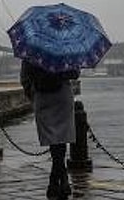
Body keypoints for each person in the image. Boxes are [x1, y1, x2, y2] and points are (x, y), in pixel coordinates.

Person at [20, 60, 80, 199]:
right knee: (62, 137)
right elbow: (75, 73)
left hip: (42, 96)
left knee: (52, 137)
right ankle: (61, 178)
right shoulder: (66, 49)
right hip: (63, 95)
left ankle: (55, 180)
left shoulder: (32, 51)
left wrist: (32, 94)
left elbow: (24, 77)